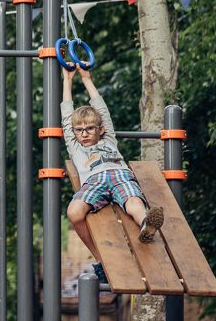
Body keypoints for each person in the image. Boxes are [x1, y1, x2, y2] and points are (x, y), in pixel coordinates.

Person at [61, 66, 165, 285]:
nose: (84, 133)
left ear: (100, 129)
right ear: (74, 132)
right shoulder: (76, 147)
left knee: (133, 201)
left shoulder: (108, 139)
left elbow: (101, 108)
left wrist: (86, 78)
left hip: (119, 175)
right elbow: (66, 115)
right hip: (94, 181)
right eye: (79, 130)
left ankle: (146, 224)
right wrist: (67, 80)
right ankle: (100, 260)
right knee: (74, 212)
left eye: (90, 128)